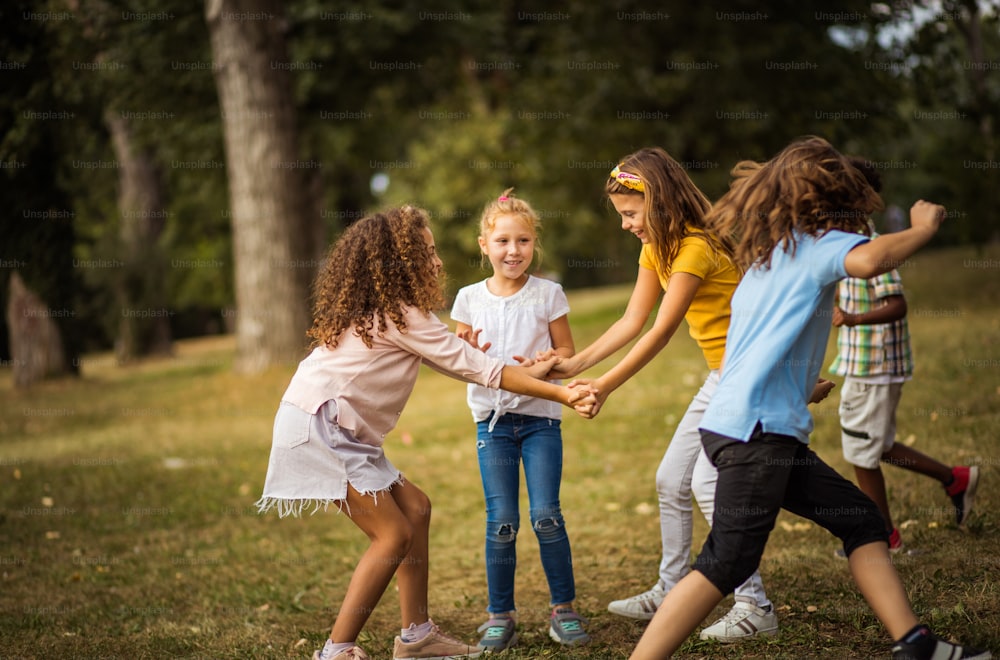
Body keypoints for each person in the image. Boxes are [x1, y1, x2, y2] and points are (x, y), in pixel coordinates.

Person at [628, 136, 991, 660]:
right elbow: (870, 262)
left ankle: (915, 644)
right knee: (727, 560)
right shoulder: (818, 248)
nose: (862, 227)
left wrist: (800, 387)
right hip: (756, 434)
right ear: (835, 210)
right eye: (859, 215)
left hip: (754, 426)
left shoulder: (770, 254)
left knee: (859, 519)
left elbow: (755, 342)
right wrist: (922, 228)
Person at [254, 206, 594, 660]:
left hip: (338, 425)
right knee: (392, 535)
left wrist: (462, 354)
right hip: (321, 424)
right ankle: (336, 650)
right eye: (426, 253)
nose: (436, 262)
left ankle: (416, 635)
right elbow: (488, 371)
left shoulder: (393, 312)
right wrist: (563, 395)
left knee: (415, 509)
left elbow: (460, 363)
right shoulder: (402, 315)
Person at [550, 147, 779, 641]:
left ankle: (754, 604)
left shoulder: (694, 247)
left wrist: (605, 386)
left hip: (746, 378)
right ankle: (672, 589)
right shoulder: (659, 245)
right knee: (670, 479)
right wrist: (574, 364)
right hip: (722, 376)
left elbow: (660, 330)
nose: (626, 224)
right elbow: (631, 320)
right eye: (622, 215)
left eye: (631, 214)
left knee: (705, 482)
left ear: (659, 201)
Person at [451, 189, 588, 650]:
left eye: (524, 241)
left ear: (534, 245)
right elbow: (460, 360)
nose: (514, 251)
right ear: (484, 244)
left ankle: (563, 609)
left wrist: (552, 359)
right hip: (493, 427)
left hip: (540, 423)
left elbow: (567, 351)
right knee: (502, 520)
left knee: (547, 514)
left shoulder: (548, 293)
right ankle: (500, 614)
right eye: (504, 241)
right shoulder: (468, 299)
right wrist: (470, 351)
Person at [829, 158, 979, 556]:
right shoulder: (847, 247)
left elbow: (897, 304)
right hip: (865, 364)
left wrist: (853, 317)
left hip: (875, 366)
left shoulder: (874, 250)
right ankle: (954, 479)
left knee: (862, 452)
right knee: (876, 445)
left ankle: (884, 538)